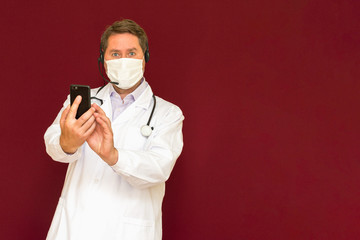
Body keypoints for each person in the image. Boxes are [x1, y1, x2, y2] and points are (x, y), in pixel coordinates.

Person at [44, 19, 184, 240]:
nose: (124, 61)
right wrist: (67, 143)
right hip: (76, 226)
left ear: (145, 58)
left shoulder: (167, 113)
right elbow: (52, 142)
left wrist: (113, 156)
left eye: (131, 53)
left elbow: (159, 168)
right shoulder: (82, 100)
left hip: (128, 231)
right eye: (116, 54)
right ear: (103, 59)